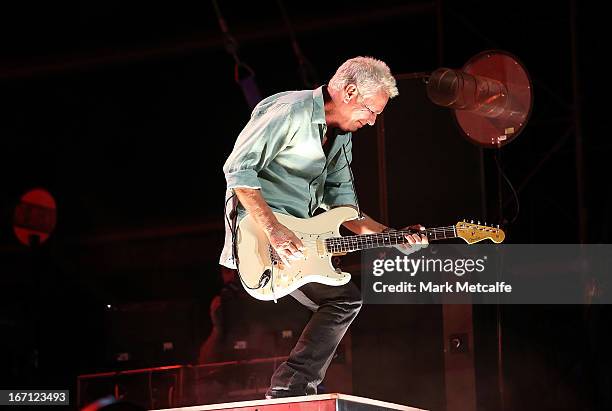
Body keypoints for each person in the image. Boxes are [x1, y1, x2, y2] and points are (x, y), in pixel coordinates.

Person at [219, 56, 428, 398]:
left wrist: (391, 237)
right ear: (348, 92)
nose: (373, 121)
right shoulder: (290, 110)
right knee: (344, 299)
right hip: (260, 232)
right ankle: (291, 385)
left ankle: (291, 384)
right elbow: (238, 171)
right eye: (370, 110)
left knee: (345, 299)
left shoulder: (341, 138)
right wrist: (273, 229)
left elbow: (345, 209)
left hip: (300, 237)